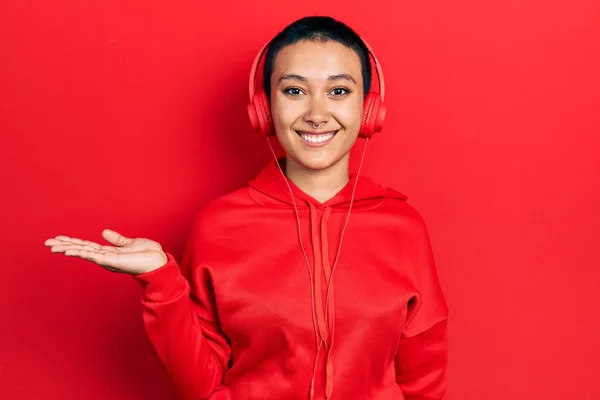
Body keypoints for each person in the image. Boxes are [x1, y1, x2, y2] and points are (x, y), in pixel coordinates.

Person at [44, 15, 449, 400]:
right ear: (264, 109)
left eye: (339, 91)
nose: (316, 113)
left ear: (368, 109)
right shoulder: (219, 224)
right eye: (294, 90)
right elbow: (201, 385)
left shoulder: (403, 226)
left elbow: (423, 383)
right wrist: (161, 281)